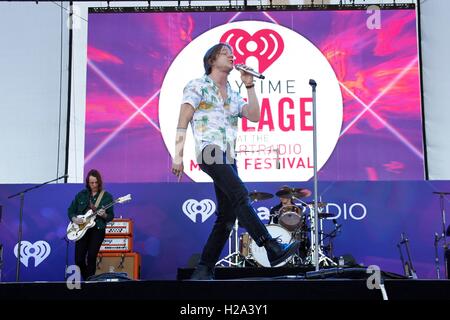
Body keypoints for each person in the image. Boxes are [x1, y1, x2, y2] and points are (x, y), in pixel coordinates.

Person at [171, 43, 300, 280]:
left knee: (227, 217)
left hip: (229, 155)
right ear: (211, 60)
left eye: (231, 52)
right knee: (240, 193)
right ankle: (270, 247)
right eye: (224, 53)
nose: (231, 56)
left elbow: (254, 115)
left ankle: (203, 269)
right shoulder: (197, 85)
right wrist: (178, 155)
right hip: (209, 150)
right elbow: (183, 119)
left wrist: (249, 84)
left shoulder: (231, 91)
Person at [68, 169, 114, 281]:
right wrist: (74, 219)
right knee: (79, 259)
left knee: (92, 256)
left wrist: (103, 215)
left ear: (99, 182)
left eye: (95, 182)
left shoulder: (106, 196)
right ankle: (89, 279)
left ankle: (90, 284)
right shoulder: (81, 195)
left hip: (97, 229)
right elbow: (71, 210)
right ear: (87, 183)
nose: (93, 185)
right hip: (81, 229)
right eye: (91, 182)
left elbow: (110, 216)